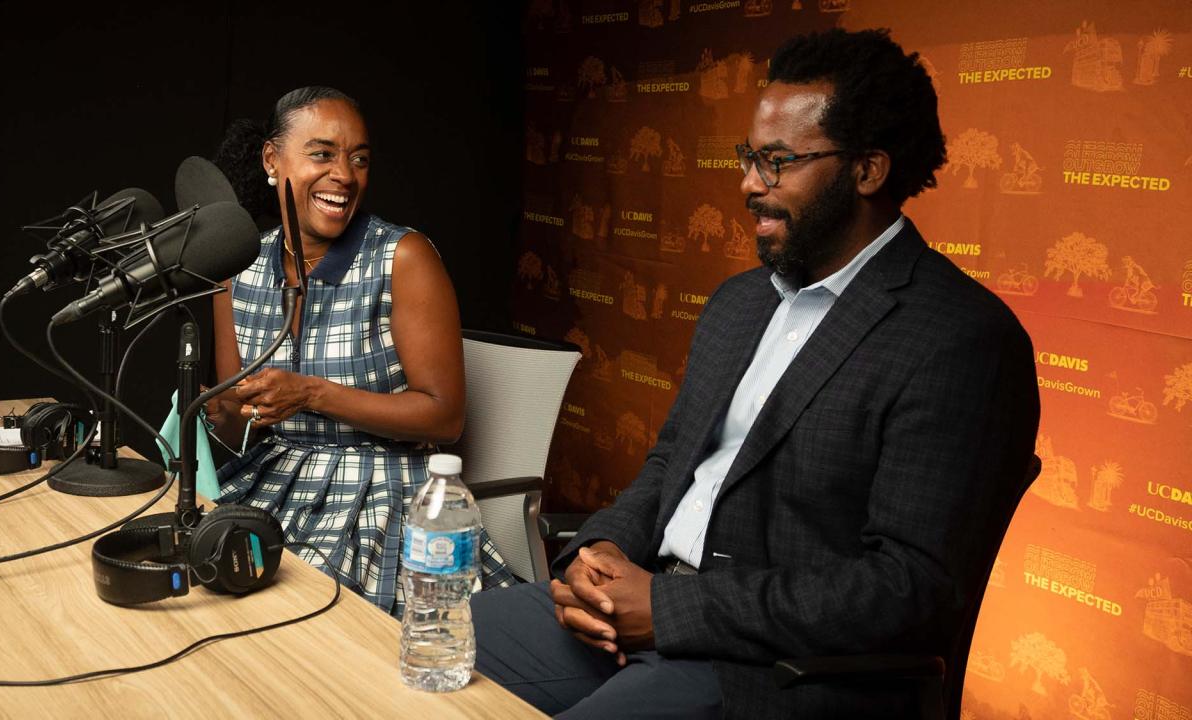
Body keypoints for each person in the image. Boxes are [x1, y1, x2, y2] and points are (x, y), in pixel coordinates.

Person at [471, 29, 1039, 718]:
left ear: (867, 170)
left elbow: (908, 589)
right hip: (636, 613)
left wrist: (671, 609)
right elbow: (668, 466)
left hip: (779, 672)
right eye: (750, 158)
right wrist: (597, 555)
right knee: (423, 651)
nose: (748, 184)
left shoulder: (959, 339)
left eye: (778, 163)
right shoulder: (738, 304)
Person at [205, 87, 514, 616]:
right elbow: (234, 427)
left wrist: (310, 394)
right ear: (272, 161)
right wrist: (221, 410)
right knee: (204, 573)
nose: (344, 176)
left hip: (381, 489)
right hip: (271, 480)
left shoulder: (403, 257)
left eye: (359, 159)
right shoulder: (235, 269)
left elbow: (445, 416)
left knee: (298, 611)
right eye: (322, 154)